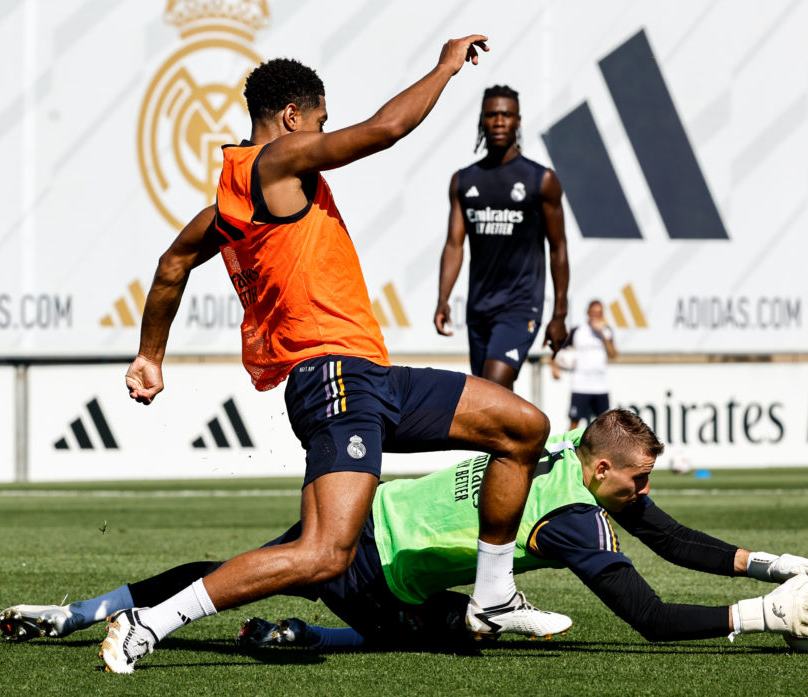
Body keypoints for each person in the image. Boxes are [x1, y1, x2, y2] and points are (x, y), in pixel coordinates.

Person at [110, 36, 570, 674]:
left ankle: (493, 596)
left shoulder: (233, 201)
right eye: (320, 122)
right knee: (325, 553)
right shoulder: (278, 160)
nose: (321, 136)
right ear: (293, 119)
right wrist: (444, 67)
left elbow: (172, 264)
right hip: (333, 376)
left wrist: (150, 356)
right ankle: (148, 623)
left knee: (523, 427)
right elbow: (386, 129)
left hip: (367, 374)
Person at [0, 410, 808, 653]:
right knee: (458, 633)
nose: (647, 490)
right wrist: (764, 614)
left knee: (232, 569)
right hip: (375, 566)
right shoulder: (571, 522)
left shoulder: (551, 452)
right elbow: (653, 617)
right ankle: (304, 635)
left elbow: (670, 537)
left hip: (361, 514)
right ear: (601, 474)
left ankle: (78, 610)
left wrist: (773, 561)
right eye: (638, 478)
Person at [434, 85, 569, 390]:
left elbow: (559, 248)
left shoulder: (541, 180)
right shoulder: (464, 181)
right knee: (489, 402)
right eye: (491, 115)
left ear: (518, 121)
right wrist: (443, 298)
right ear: (482, 120)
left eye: (506, 115)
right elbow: (454, 245)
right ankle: (527, 439)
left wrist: (559, 314)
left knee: (492, 389)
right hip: (479, 308)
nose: (498, 121)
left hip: (520, 306)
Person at [553, 299, 617, 430]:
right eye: (593, 312)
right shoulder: (577, 330)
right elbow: (559, 349)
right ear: (588, 313)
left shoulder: (607, 331)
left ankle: (601, 450)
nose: (596, 316)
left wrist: (602, 334)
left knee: (605, 425)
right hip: (581, 384)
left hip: (600, 385)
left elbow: (613, 354)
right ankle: (567, 448)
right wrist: (555, 367)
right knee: (574, 423)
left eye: (599, 313)